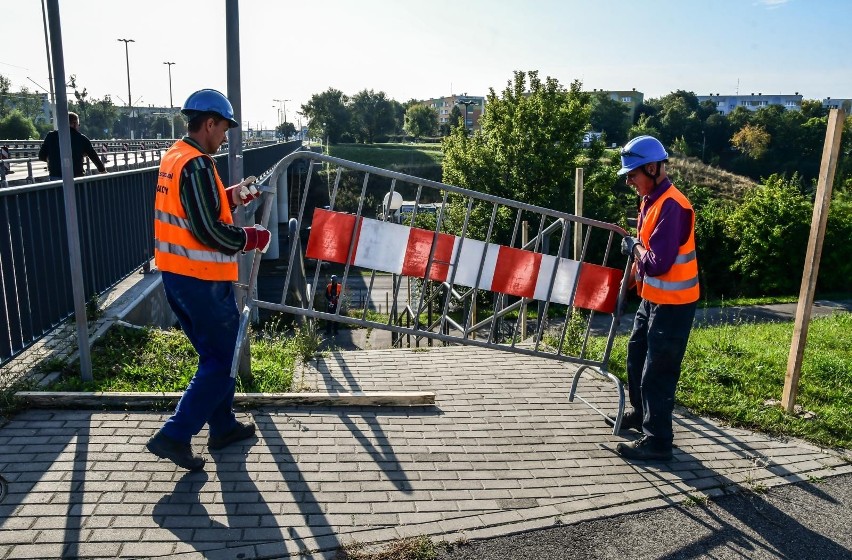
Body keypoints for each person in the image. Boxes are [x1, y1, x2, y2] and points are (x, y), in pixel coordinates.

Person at [146, 88, 270, 471]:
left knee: (214, 356)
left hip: (178, 276)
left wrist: (231, 197)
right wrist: (250, 237)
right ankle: (175, 434)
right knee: (223, 360)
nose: (225, 137)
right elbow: (207, 231)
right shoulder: (197, 163)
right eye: (224, 129)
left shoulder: (176, 156)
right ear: (209, 123)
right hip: (201, 279)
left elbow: (196, 208)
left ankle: (223, 426)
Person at [614, 135, 699, 462]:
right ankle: (641, 414)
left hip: (674, 305)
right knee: (636, 357)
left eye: (633, 174)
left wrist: (633, 246)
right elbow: (646, 257)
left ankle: (658, 441)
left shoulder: (672, 205)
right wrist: (628, 287)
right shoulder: (651, 200)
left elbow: (658, 262)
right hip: (653, 300)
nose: (630, 181)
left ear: (652, 168)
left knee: (657, 373)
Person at [37, 112, 107, 180]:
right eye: (78, 124)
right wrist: (102, 170)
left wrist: (53, 161)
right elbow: (93, 156)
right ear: (74, 123)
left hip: (55, 176)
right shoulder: (81, 138)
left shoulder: (51, 136)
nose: (78, 127)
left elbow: (41, 156)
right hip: (76, 176)